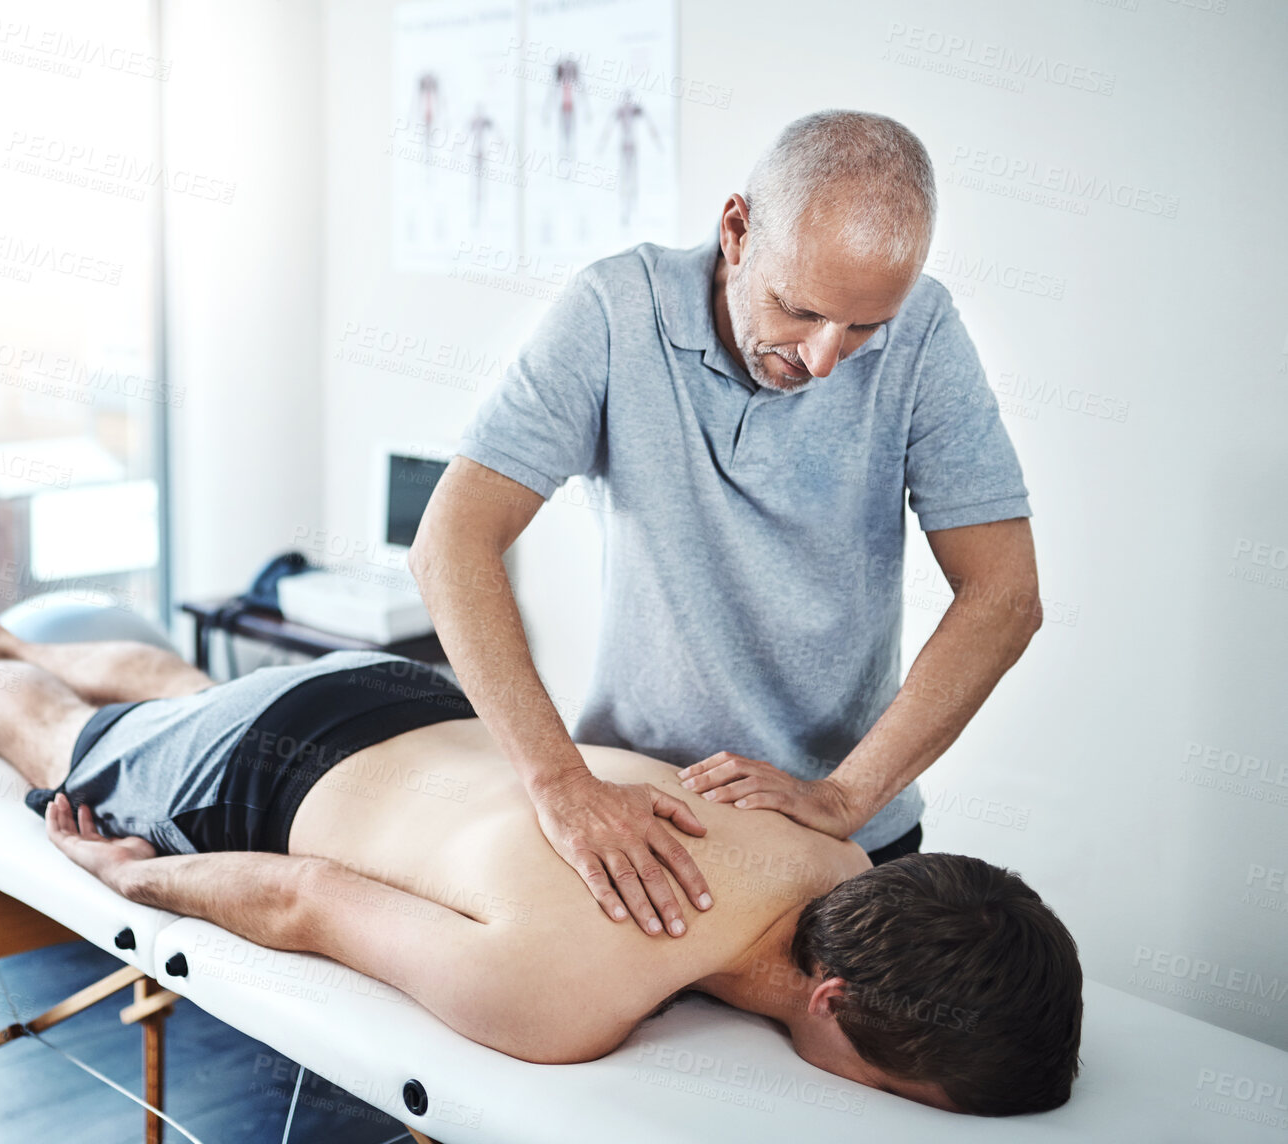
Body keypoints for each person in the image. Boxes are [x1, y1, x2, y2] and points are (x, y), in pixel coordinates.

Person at [0, 623, 1082, 1115]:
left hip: (414, 702)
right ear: (829, 1005)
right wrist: (130, 884)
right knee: (59, 740)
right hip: (273, 774)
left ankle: (56, 648)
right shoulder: (561, 1001)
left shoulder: (823, 841)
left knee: (196, 701)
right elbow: (304, 898)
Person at [408, 109, 1044, 941]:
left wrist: (845, 796)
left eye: (861, 329)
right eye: (798, 310)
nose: (823, 359)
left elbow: (1004, 594)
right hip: (646, 820)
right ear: (737, 230)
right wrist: (560, 784)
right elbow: (451, 543)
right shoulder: (614, 310)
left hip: (845, 836)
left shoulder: (925, 331)